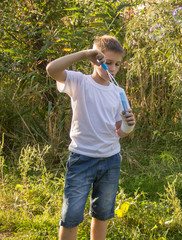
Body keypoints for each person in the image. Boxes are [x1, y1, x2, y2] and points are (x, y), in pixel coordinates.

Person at [46, 35, 136, 240]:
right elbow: (52, 69)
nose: (112, 69)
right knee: (71, 216)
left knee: (102, 214)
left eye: (117, 64)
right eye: (107, 62)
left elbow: (119, 132)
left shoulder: (118, 92)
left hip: (111, 159)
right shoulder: (80, 81)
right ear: (95, 60)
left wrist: (129, 126)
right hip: (82, 158)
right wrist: (85, 54)